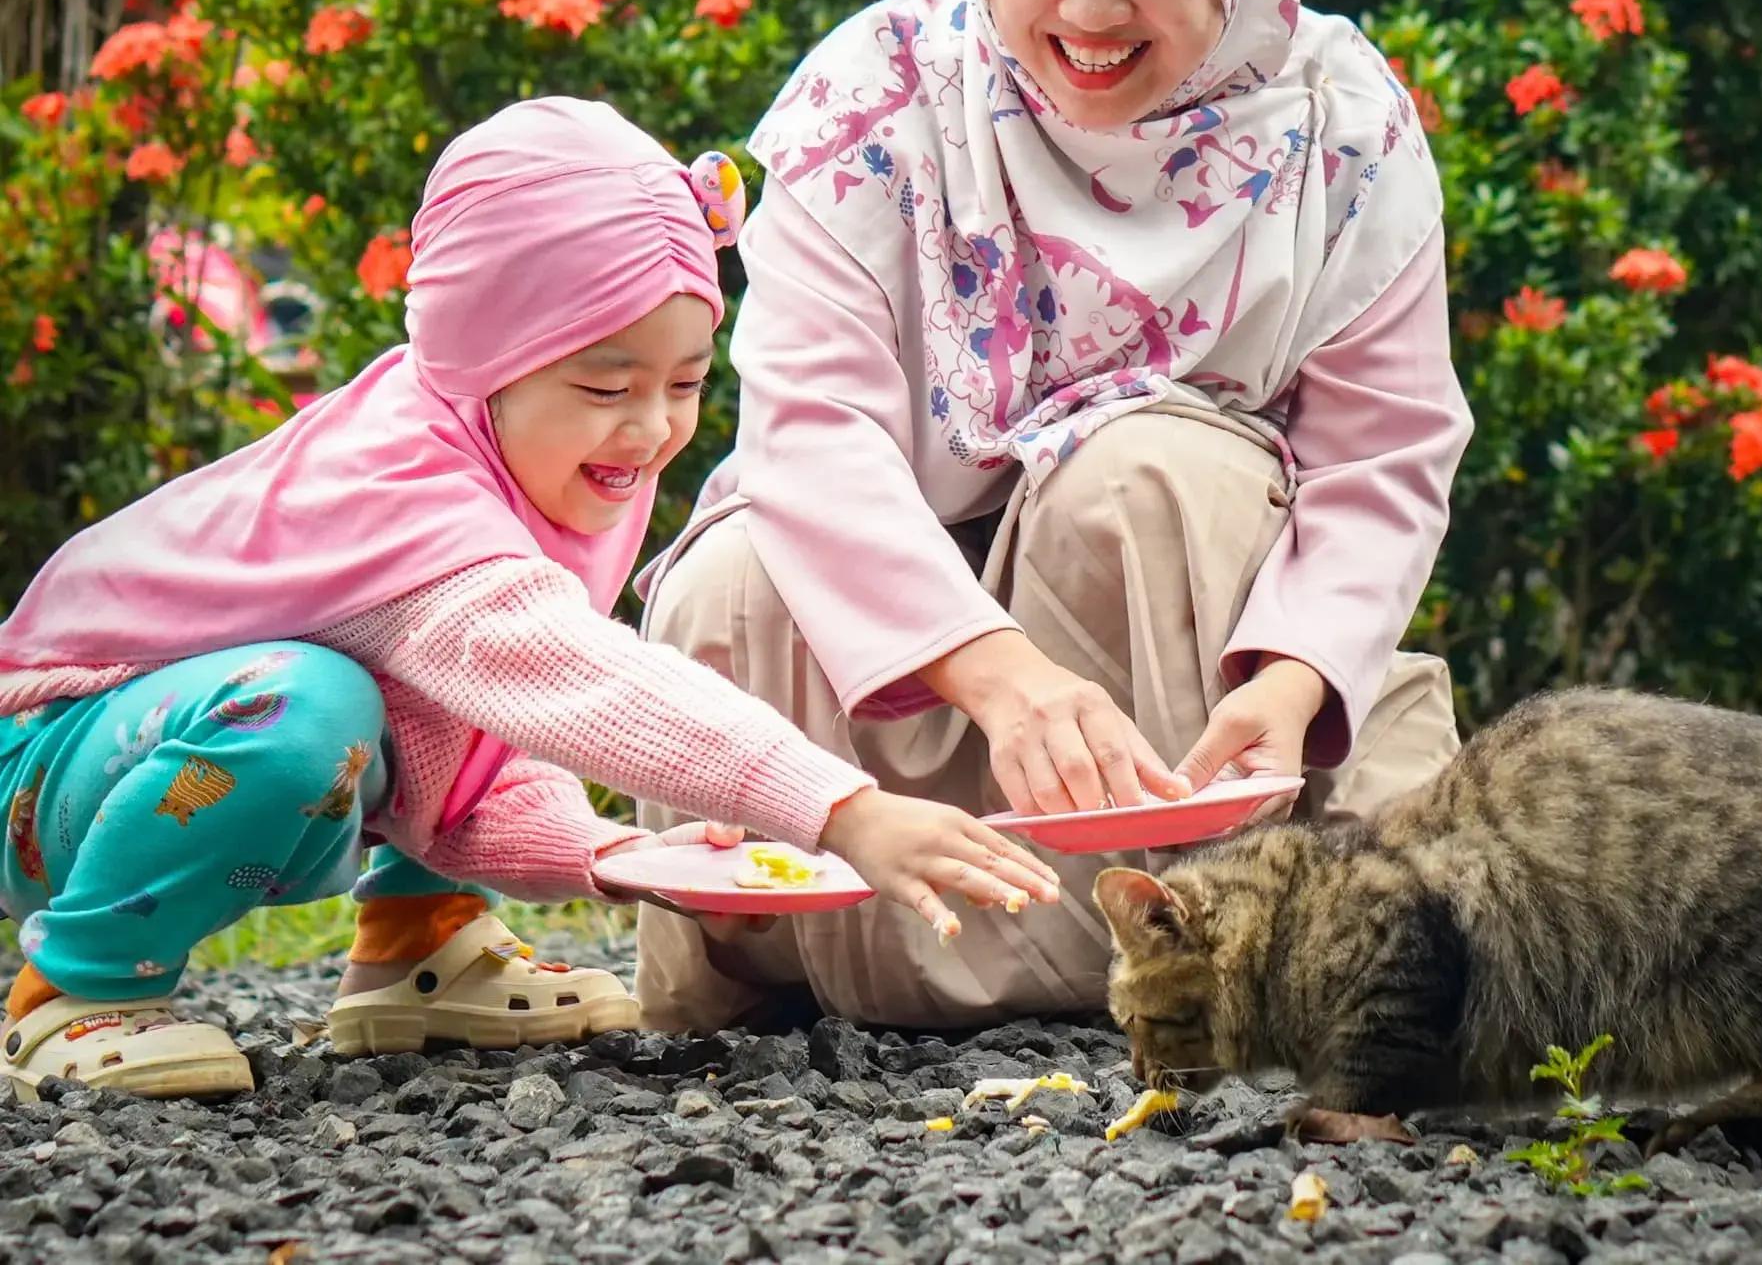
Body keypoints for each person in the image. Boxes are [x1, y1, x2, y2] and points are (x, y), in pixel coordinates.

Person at [636, 0, 1474, 1030]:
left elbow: (1384, 450)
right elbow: (810, 434)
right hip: (888, 684)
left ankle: (1203, 937)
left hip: (1165, 691)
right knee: (743, 575)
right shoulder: (875, 107)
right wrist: (997, 672)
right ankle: (802, 952)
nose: (1089, 7)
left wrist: (1294, 679)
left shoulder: (1339, 130)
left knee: (1151, 471)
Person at [0, 98, 1055, 1098]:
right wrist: (844, 810)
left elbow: (494, 724)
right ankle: (80, 988)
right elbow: (574, 681)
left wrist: (611, 852)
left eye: (685, 384)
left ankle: (423, 947)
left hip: (176, 739)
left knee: (383, 692)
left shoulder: (546, 459)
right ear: (484, 359)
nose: (649, 429)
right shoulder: (401, 487)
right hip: (45, 761)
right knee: (310, 702)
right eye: (606, 386)